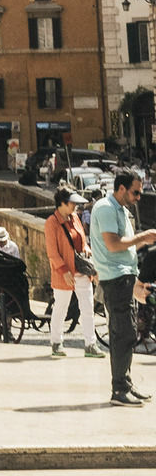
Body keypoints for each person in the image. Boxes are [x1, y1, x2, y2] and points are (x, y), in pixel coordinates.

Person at [91, 167, 156, 405]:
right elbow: (113, 244)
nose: (139, 197)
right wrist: (143, 236)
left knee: (127, 332)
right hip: (116, 279)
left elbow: (125, 247)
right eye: (136, 192)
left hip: (124, 276)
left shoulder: (120, 209)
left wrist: (144, 241)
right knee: (123, 333)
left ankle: (125, 384)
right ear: (121, 188)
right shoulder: (107, 209)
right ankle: (119, 389)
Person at [44, 187, 102, 359]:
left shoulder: (75, 217)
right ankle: (56, 342)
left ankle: (90, 344)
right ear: (62, 203)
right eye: (72, 203)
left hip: (81, 270)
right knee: (61, 307)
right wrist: (63, 270)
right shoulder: (51, 223)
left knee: (87, 307)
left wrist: (87, 251)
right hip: (65, 273)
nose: (76, 206)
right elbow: (52, 252)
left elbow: (82, 241)